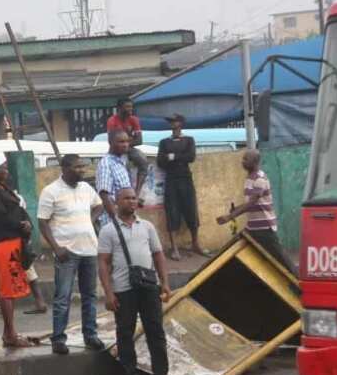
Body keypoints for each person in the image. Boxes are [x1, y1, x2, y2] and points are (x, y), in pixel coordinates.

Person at [98, 188, 175, 375]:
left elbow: (158, 256)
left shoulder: (147, 227)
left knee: (155, 331)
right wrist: (109, 293)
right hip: (123, 289)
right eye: (127, 198)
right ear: (117, 202)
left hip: (149, 288)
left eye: (134, 198)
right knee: (125, 332)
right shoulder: (108, 230)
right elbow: (103, 263)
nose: (131, 202)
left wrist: (165, 283)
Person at [38, 154, 106, 355]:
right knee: (63, 296)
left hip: (89, 250)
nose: (82, 171)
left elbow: (99, 204)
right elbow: (42, 222)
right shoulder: (51, 191)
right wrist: (56, 248)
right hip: (66, 252)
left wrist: (90, 219)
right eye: (78, 167)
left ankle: (90, 335)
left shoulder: (86, 188)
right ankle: (58, 338)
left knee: (90, 295)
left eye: (83, 167)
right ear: (65, 168)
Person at [0, 152, 34, 352]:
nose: (6, 171)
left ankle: (8, 333)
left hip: (11, 241)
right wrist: (21, 225)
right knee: (7, 290)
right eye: (3, 167)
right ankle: (10, 335)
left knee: (10, 289)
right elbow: (1, 217)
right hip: (3, 243)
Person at [216, 149, 297, 275]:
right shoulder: (249, 178)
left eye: (245, 159)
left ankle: (299, 283)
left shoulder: (260, 179)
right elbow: (251, 204)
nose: (242, 162)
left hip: (265, 228)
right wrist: (236, 209)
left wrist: (230, 216)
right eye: (243, 159)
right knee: (237, 249)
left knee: (281, 259)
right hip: (253, 227)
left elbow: (252, 203)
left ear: (254, 162)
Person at [157, 114, 209, 260]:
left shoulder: (189, 140)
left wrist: (172, 156)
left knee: (191, 210)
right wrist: (177, 156)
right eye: (171, 121)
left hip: (186, 179)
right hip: (171, 180)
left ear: (181, 123)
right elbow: (160, 161)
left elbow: (191, 157)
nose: (173, 123)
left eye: (175, 121)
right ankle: (174, 248)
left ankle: (195, 243)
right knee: (172, 211)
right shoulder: (164, 142)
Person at [95, 130, 139, 226]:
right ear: (111, 143)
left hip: (125, 219)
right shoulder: (106, 164)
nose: (125, 145)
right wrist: (117, 220)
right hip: (113, 221)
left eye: (127, 141)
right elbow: (104, 195)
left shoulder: (121, 162)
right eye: (121, 142)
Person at [106, 98, 150, 176]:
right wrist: (130, 139)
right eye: (127, 107)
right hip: (116, 150)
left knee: (143, 161)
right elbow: (111, 141)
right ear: (119, 108)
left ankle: (138, 188)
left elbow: (139, 140)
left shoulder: (134, 119)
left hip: (129, 148)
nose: (131, 109)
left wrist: (124, 144)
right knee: (120, 168)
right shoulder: (112, 120)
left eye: (131, 107)